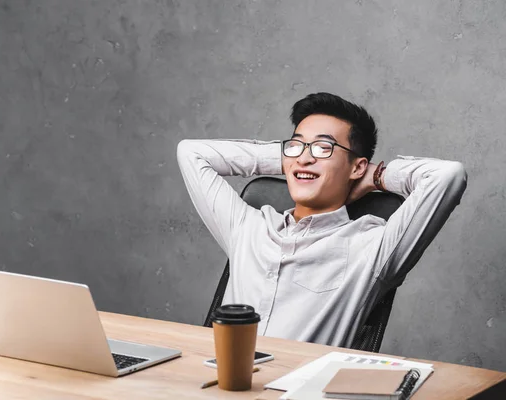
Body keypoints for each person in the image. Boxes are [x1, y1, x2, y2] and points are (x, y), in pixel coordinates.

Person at [176, 92, 467, 348]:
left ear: (358, 167)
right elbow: (191, 153)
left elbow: (447, 176)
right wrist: (292, 156)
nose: (305, 159)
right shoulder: (247, 227)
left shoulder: (371, 248)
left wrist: (376, 175)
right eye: (297, 145)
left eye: (324, 148)